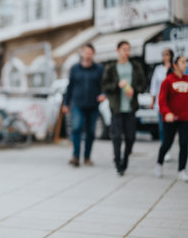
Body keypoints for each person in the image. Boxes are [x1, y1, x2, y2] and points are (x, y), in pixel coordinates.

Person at [101, 40, 146, 176]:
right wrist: (117, 85)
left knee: (131, 137)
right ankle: (118, 162)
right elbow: (105, 87)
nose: (127, 52)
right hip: (116, 107)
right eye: (124, 49)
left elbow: (143, 84)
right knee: (117, 137)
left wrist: (134, 89)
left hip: (131, 107)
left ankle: (125, 159)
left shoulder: (135, 66)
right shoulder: (111, 68)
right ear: (117, 51)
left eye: (128, 49)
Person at [62, 44, 106, 167]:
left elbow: (105, 85)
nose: (87, 54)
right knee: (77, 127)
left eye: (90, 52)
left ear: (93, 54)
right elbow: (69, 87)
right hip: (77, 103)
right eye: (85, 52)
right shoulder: (75, 69)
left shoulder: (99, 69)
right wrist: (66, 103)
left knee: (91, 131)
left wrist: (104, 94)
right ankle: (76, 156)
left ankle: (87, 156)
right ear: (82, 54)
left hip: (93, 104)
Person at [154, 56, 188, 181]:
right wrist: (166, 113)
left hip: (185, 118)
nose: (185, 65)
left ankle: (181, 169)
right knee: (167, 143)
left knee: (184, 143)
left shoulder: (187, 79)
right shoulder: (168, 81)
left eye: (186, 62)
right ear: (175, 65)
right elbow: (162, 100)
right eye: (183, 62)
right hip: (171, 118)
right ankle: (159, 163)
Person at [149, 48, 174, 161]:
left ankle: (169, 146)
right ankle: (165, 149)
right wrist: (152, 100)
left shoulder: (174, 68)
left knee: (173, 128)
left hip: (173, 103)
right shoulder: (158, 69)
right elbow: (154, 85)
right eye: (163, 54)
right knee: (162, 127)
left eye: (167, 54)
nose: (165, 56)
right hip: (161, 103)